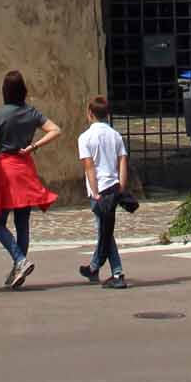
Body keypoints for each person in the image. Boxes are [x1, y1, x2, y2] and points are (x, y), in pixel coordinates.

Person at [0, 69, 60, 287]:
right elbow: (55, 129)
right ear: (24, 90)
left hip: (6, 170)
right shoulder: (31, 113)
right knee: (22, 223)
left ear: (5, 91)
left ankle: (20, 259)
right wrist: (33, 146)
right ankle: (19, 268)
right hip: (25, 168)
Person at [77, 96, 132, 289]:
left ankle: (117, 273)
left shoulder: (85, 138)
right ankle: (93, 267)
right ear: (107, 114)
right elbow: (122, 161)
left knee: (105, 232)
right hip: (114, 187)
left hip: (99, 190)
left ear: (90, 113)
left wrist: (95, 192)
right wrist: (122, 187)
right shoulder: (115, 135)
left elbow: (89, 167)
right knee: (104, 229)